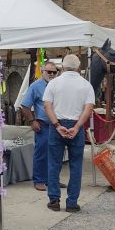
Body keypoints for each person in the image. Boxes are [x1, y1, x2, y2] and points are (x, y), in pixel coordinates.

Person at [42, 54, 94, 213]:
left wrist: (57, 125)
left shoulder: (53, 83)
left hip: (57, 125)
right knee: (76, 165)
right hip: (76, 125)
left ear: (62, 66)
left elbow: (47, 106)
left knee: (54, 164)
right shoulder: (86, 85)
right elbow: (89, 108)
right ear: (78, 67)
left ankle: (54, 200)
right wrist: (78, 126)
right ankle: (72, 202)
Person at [20, 60, 59, 191]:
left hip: (57, 125)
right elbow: (24, 105)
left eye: (54, 72)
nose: (52, 74)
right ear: (42, 71)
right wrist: (32, 121)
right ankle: (39, 180)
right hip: (43, 125)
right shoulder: (36, 86)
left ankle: (52, 180)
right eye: (49, 72)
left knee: (55, 154)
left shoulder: (58, 85)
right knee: (41, 153)